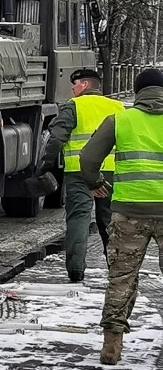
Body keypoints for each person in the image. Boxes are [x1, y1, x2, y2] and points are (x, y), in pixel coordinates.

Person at [80, 67, 163, 365]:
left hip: (128, 213)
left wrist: (96, 183)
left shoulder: (121, 120)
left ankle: (112, 345)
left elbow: (88, 159)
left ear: (138, 92)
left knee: (121, 278)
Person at [37, 67, 122, 281]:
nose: (73, 89)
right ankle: (117, 269)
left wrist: (45, 166)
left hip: (78, 173)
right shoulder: (117, 107)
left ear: (84, 84)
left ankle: (76, 270)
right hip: (112, 171)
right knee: (109, 221)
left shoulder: (74, 106)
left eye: (75, 84)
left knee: (79, 218)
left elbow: (55, 138)